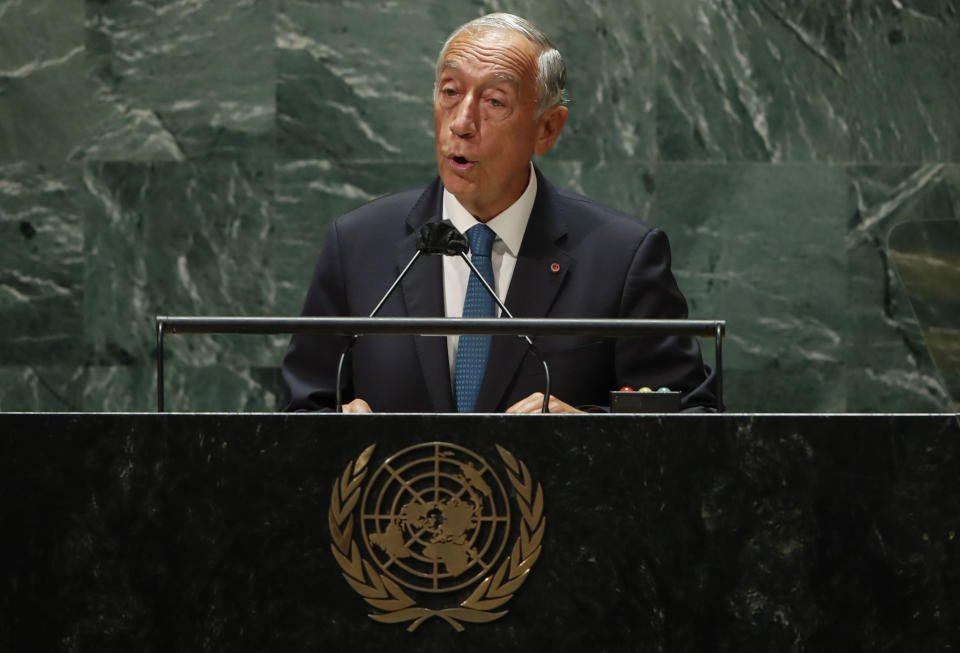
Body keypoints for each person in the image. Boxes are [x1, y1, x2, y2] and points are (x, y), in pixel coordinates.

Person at [282, 13, 718, 414]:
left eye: (494, 101)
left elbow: (689, 422)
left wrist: (587, 429)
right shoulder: (358, 244)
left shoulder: (622, 258)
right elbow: (299, 411)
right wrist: (330, 429)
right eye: (450, 92)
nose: (462, 122)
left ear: (547, 128)